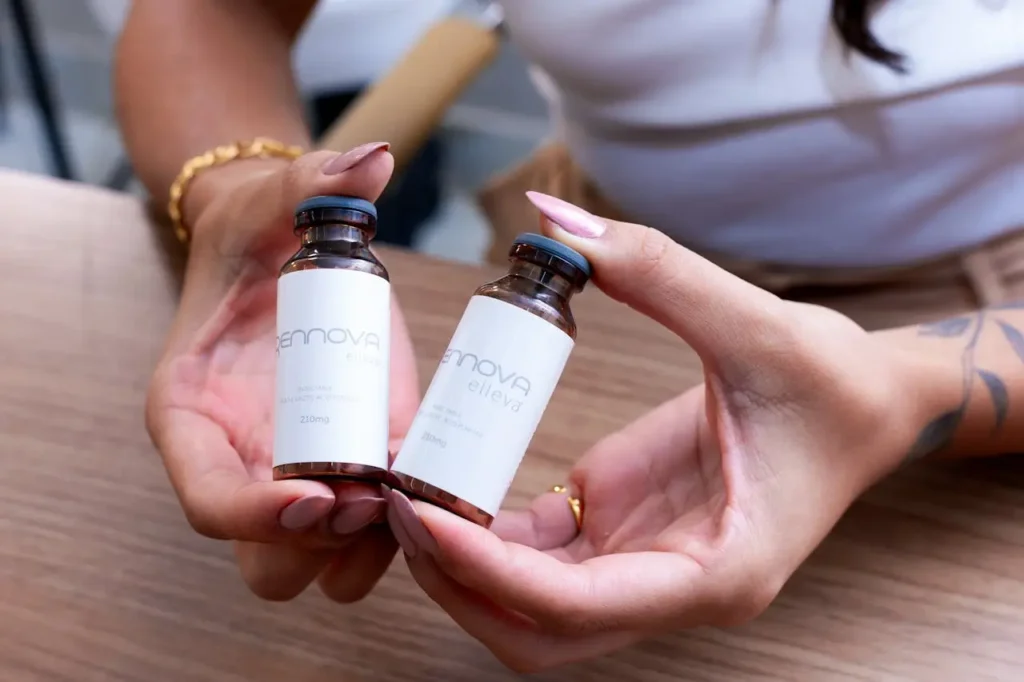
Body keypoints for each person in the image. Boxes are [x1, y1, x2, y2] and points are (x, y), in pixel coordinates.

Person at [115, 0, 1024, 672]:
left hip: (975, 311)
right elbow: (216, 16)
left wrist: (915, 387)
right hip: (591, 258)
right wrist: (236, 198)